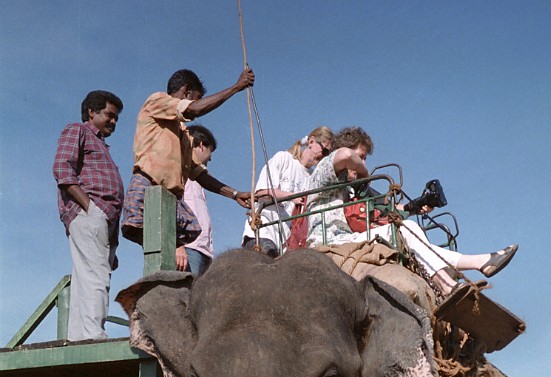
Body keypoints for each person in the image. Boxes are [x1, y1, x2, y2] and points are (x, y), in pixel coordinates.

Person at [306, 127, 518, 296]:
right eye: (361, 157)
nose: (363, 163)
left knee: (408, 226)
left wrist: (415, 207)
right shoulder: (326, 171)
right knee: (406, 229)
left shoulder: (352, 189)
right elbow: (344, 155)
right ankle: (450, 284)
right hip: (330, 240)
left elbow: (382, 209)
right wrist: (363, 172)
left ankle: (478, 263)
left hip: (347, 237)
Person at [121, 67, 254, 247]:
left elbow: (199, 174)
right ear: (186, 92)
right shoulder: (157, 100)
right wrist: (235, 87)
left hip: (170, 199)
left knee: (183, 234)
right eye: (196, 98)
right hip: (148, 186)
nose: (197, 103)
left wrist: (234, 194)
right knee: (153, 244)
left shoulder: (182, 133)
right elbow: (194, 110)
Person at [53, 90, 124, 341]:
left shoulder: (102, 145)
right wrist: (89, 207)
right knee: (95, 275)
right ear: (91, 112)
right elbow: (62, 168)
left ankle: (78, 338)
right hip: (89, 214)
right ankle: (94, 334)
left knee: (87, 276)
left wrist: (110, 238)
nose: (113, 121)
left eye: (116, 118)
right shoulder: (78, 130)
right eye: (109, 115)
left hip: (102, 222)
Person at [242, 126, 333, 257]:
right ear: (311, 142)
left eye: (327, 155)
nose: (324, 156)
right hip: (263, 233)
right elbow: (262, 192)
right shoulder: (283, 159)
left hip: (286, 244)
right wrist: (290, 196)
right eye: (324, 151)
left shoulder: (313, 179)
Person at [175, 125, 216, 276]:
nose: (209, 159)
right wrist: (177, 245)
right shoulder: (178, 168)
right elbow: (172, 205)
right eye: (209, 153)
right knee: (185, 296)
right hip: (188, 248)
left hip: (202, 250)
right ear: (200, 145)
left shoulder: (196, 180)